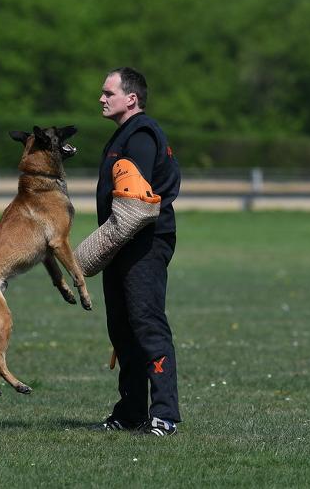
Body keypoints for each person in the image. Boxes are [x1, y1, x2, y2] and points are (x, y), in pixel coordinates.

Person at [94, 67, 181, 436]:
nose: (101, 98)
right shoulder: (124, 135)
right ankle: (130, 412)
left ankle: (164, 415)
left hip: (143, 244)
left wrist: (98, 246)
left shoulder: (141, 134)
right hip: (122, 244)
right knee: (122, 330)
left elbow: (138, 201)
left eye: (108, 93)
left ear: (131, 99)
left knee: (146, 326)